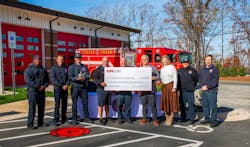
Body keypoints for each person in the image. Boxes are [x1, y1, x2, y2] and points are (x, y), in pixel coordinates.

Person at [24, 55, 49, 129]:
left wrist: (44, 86)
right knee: (32, 108)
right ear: (33, 60)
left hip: (42, 91)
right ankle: (30, 124)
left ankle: (40, 122)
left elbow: (47, 80)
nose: (38, 62)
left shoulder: (43, 69)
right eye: (36, 60)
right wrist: (38, 87)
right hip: (32, 91)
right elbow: (28, 81)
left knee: (41, 108)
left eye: (39, 60)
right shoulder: (28, 70)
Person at [68, 53, 90, 125]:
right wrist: (77, 78)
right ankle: (74, 118)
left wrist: (85, 77)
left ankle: (86, 117)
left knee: (85, 103)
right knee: (74, 103)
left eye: (79, 58)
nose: (78, 59)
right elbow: (70, 77)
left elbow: (88, 75)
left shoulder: (84, 66)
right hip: (75, 87)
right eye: (77, 58)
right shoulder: (71, 67)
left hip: (83, 87)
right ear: (74, 58)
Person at [199, 55, 219, 127]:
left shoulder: (215, 69)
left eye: (209, 59)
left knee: (213, 106)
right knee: (205, 106)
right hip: (204, 91)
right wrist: (202, 86)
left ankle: (214, 121)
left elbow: (215, 81)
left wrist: (207, 87)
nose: (208, 61)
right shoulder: (202, 69)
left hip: (212, 91)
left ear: (211, 60)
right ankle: (207, 119)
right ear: (204, 61)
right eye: (206, 59)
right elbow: (200, 79)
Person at [139, 54, 160, 127]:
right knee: (144, 105)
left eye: (145, 59)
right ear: (141, 60)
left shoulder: (153, 68)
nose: (144, 60)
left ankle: (155, 119)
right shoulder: (139, 69)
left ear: (148, 60)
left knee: (153, 105)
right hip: (142, 90)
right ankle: (144, 118)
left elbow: (158, 77)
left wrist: (153, 78)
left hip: (151, 89)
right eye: (143, 59)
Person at [178, 58, 199, 124]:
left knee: (191, 106)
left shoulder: (193, 70)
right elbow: (177, 81)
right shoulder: (179, 71)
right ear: (182, 63)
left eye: (186, 62)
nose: (185, 63)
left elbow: (196, 79)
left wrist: (192, 86)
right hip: (182, 91)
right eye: (184, 62)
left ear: (189, 63)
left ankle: (192, 119)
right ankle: (183, 118)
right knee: (182, 106)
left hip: (190, 91)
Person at [160, 55, 179, 126]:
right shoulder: (162, 69)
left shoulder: (172, 67)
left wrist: (174, 87)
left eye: (165, 59)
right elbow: (162, 78)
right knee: (165, 102)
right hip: (164, 87)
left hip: (171, 86)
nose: (164, 61)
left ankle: (171, 118)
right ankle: (167, 117)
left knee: (171, 103)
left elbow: (175, 77)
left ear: (168, 60)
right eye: (163, 59)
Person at [50, 55, 69, 125]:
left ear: (63, 60)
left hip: (65, 89)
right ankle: (56, 118)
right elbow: (53, 79)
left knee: (64, 104)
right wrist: (61, 86)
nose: (61, 61)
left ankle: (64, 118)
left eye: (62, 59)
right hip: (57, 89)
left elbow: (68, 78)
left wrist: (67, 84)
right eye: (59, 59)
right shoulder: (53, 68)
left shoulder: (65, 68)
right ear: (57, 60)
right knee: (57, 104)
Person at [93, 57, 110, 125]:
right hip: (101, 89)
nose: (105, 62)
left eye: (107, 61)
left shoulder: (110, 68)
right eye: (104, 61)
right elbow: (94, 79)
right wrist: (100, 83)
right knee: (101, 105)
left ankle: (107, 117)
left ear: (108, 62)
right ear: (102, 62)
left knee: (107, 104)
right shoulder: (98, 69)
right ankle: (100, 118)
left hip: (108, 89)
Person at [116, 57, 132, 124]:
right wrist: (114, 88)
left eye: (124, 61)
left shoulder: (130, 70)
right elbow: (114, 79)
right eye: (122, 61)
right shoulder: (116, 70)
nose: (123, 62)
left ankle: (127, 118)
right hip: (119, 91)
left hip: (128, 91)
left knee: (127, 106)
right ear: (120, 62)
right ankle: (120, 118)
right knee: (119, 105)